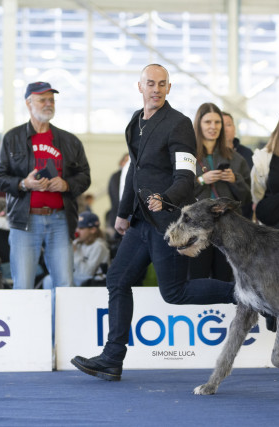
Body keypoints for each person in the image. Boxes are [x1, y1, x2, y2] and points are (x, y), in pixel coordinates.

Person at [71, 64, 236, 381]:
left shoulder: (179, 124)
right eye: (150, 83)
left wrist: (167, 198)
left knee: (174, 293)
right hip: (139, 222)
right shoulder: (135, 122)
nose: (156, 89)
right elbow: (135, 170)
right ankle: (112, 358)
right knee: (117, 280)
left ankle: (244, 292)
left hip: (170, 224)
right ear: (140, 86)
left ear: (169, 89)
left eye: (162, 84)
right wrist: (122, 212)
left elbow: (186, 176)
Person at [0, 81, 91, 289]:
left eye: (51, 100)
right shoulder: (12, 138)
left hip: (60, 221)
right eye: (42, 100)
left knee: (65, 284)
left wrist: (66, 184)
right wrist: (24, 183)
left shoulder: (69, 141)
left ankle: (60, 323)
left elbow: (84, 176)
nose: (48, 104)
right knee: (24, 285)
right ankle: (25, 323)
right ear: (29, 103)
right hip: (25, 221)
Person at [190, 102, 251, 281]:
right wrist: (202, 180)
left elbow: (247, 197)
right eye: (208, 122)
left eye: (217, 123)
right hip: (197, 229)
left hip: (228, 230)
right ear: (199, 125)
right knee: (197, 278)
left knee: (226, 279)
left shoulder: (236, 158)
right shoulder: (187, 156)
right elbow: (178, 191)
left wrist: (235, 180)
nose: (213, 127)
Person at [42, 211, 110, 288]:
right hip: (78, 280)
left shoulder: (99, 246)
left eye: (81, 228)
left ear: (93, 230)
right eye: (76, 227)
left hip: (92, 284)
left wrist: (75, 252)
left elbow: (86, 274)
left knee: (51, 281)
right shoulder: (78, 243)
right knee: (49, 279)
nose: (77, 231)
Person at [222, 111, 254, 218]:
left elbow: (252, 185)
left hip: (243, 212)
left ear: (235, 129)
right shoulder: (207, 155)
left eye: (228, 125)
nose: (225, 129)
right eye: (220, 124)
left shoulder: (246, 153)